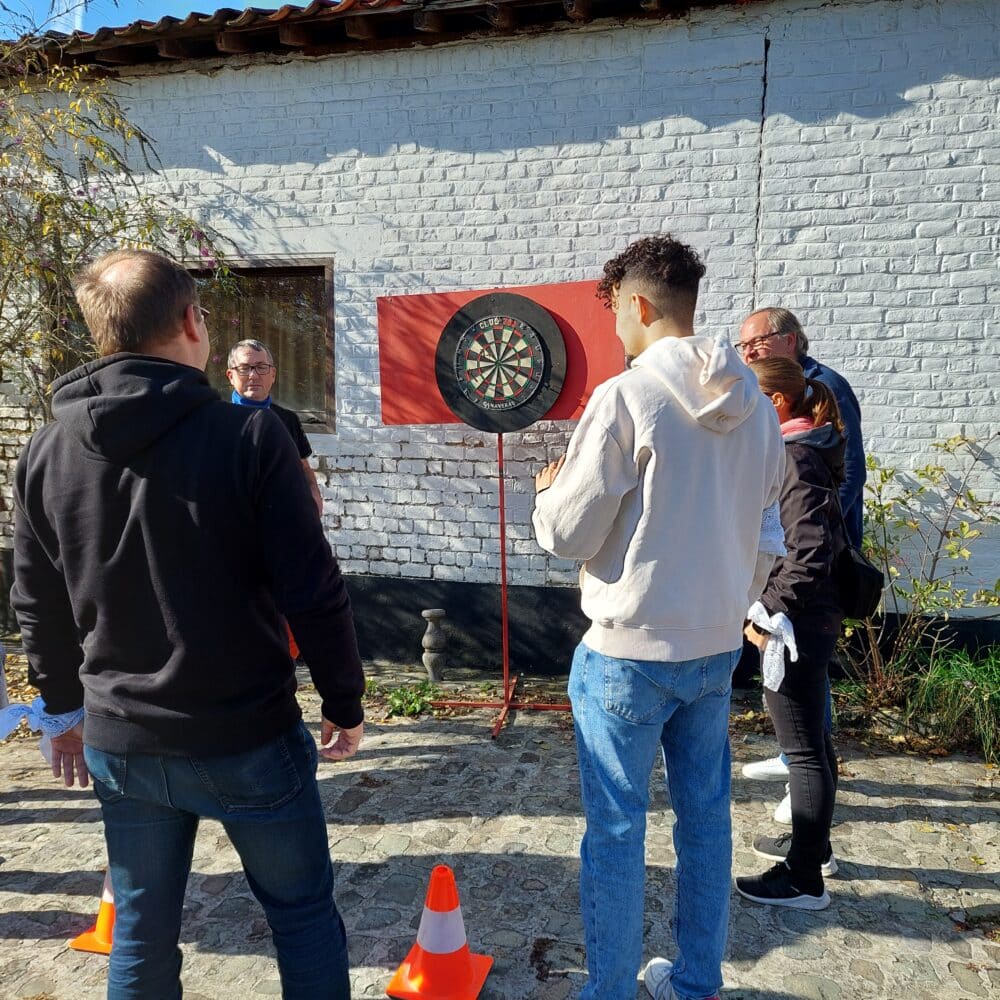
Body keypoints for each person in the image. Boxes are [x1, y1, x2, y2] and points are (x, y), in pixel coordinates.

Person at [11, 249, 364, 1000]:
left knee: (139, 929)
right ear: (192, 323)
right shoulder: (249, 438)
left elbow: (35, 600)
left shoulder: (43, 450)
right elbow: (312, 588)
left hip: (123, 739)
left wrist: (62, 710)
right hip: (246, 734)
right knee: (301, 916)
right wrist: (344, 699)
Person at [532, 235, 785, 1000]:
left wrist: (546, 495)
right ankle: (696, 981)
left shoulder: (627, 397)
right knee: (705, 824)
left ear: (638, 305)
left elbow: (568, 533)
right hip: (713, 651)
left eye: (616, 312)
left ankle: (609, 990)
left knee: (616, 831)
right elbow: (768, 535)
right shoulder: (757, 409)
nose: (615, 328)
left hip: (627, 653)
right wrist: (728, 603)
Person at [736, 308, 864, 802]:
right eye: (743, 345)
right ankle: (798, 760)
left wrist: (821, 534)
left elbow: (847, 476)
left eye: (757, 342)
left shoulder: (818, 403)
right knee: (799, 704)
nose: (748, 351)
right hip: (797, 572)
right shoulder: (789, 433)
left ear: (789, 340)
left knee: (805, 695)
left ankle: (803, 781)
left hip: (804, 581)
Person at [735, 357, 847, 910]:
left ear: (776, 402)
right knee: (814, 745)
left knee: (802, 751)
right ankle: (813, 851)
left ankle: (803, 879)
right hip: (811, 618)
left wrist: (765, 612)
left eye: (749, 396)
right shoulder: (806, 448)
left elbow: (809, 553)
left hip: (795, 624)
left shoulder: (795, 457)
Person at [227, 338, 324, 516]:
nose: (253, 375)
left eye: (261, 367)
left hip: (280, 517)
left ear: (273, 375)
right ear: (230, 376)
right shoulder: (217, 419)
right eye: (244, 368)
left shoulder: (287, 419)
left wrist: (314, 493)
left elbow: (302, 468)